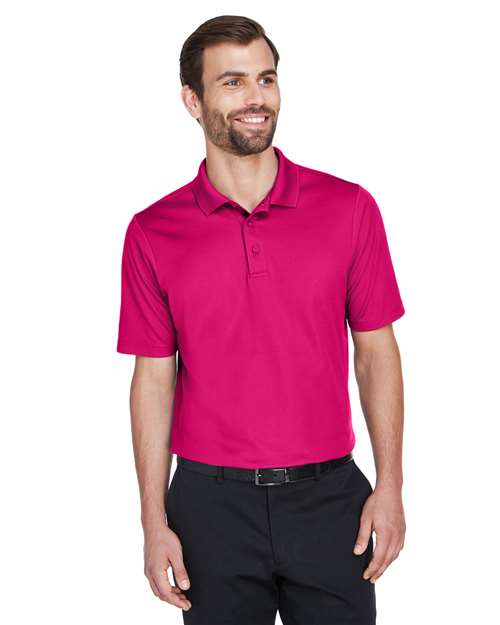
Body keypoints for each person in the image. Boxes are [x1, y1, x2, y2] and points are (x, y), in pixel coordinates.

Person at [116, 14, 406, 625]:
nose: (256, 98)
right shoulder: (152, 232)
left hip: (331, 502)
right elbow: (153, 379)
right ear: (192, 101)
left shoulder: (349, 208)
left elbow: (376, 351)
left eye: (266, 79)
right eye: (233, 82)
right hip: (208, 508)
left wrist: (390, 485)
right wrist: (153, 521)